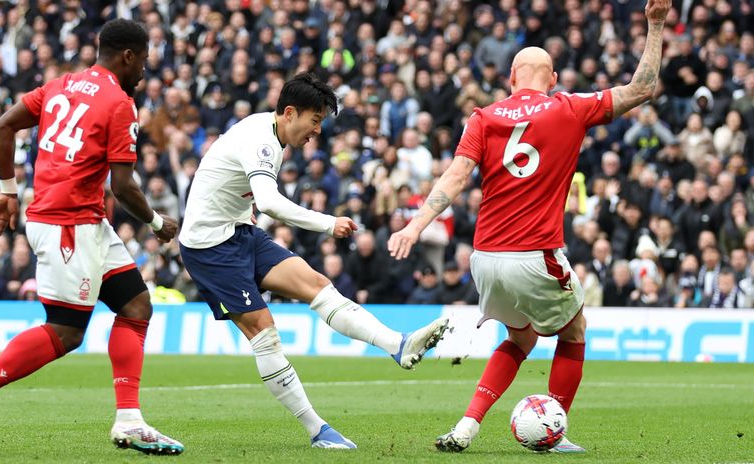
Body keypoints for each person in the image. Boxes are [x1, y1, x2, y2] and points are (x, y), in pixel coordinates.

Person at [388, 0, 671, 454]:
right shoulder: (569, 107)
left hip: (485, 259)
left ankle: (467, 425)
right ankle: (552, 428)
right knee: (574, 328)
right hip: (535, 254)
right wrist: (654, 25)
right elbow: (643, 87)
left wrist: (415, 226)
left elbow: (456, 177)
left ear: (510, 80)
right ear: (553, 79)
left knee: (520, 337)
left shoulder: (483, 117)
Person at [0, 20, 184, 456]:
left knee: (136, 305)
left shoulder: (60, 85)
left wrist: (8, 191)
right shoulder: (120, 102)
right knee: (66, 333)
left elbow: (1, 126)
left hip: (82, 220)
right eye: (144, 60)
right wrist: (156, 223)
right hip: (67, 225)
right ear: (128, 56)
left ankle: (129, 419)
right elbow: (124, 186)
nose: (145, 70)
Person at [178, 72, 448, 450]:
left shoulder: (269, 133)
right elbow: (270, 202)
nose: (317, 131)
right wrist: (328, 223)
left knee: (318, 285)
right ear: (290, 112)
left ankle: (397, 344)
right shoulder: (263, 143)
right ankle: (317, 429)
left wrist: (242, 209)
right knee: (265, 332)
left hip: (239, 232)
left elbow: (238, 187)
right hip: (209, 249)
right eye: (315, 121)